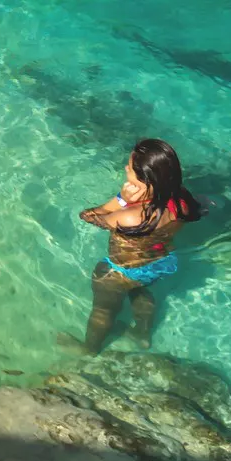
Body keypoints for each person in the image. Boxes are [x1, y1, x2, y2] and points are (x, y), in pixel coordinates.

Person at [58, 137, 201, 355]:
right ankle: (142, 334)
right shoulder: (181, 201)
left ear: (145, 179)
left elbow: (89, 216)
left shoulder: (131, 217)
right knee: (140, 290)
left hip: (123, 270)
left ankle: (89, 349)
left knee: (103, 310)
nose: (125, 168)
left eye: (131, 168)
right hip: (159, 262)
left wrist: (122, 199)